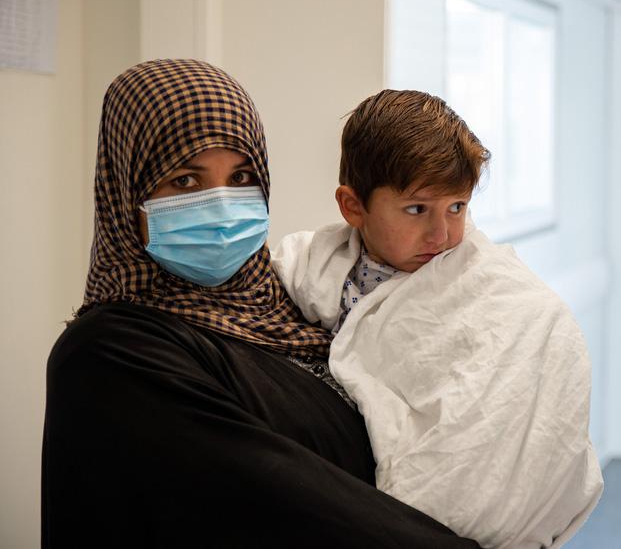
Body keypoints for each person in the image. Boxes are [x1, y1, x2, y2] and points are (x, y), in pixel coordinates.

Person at [42, 59, 481, 548]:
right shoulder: (111, 353)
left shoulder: (296, 303)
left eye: (241, 176)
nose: (223, 206)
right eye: (186, 180)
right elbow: (297, 508)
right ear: (126, 192)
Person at [271, 90, 603, 548]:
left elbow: (503, 430)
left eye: (457, 207)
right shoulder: (310, 266)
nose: (443, 234)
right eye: (416, 209)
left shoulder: (506, 298)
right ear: (353, 206)